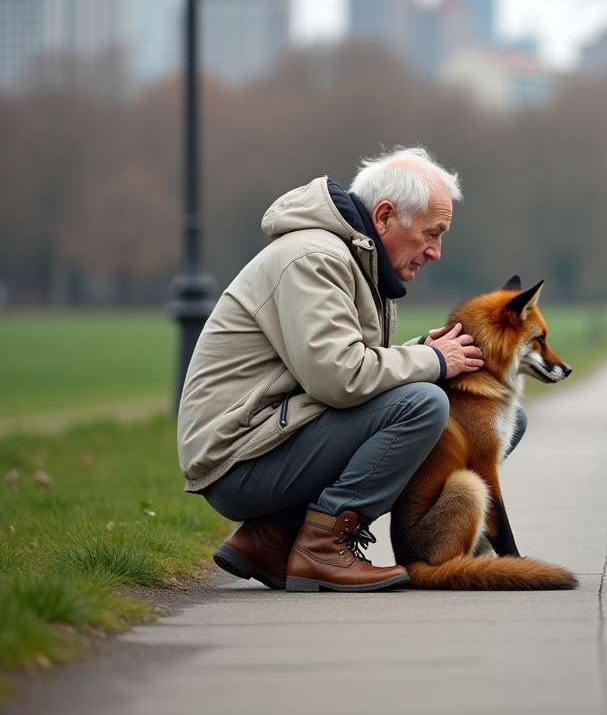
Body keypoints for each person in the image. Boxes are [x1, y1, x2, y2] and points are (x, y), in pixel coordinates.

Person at [177, 146, 515, 593]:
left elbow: (344, 369)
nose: (436, 252)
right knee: (425, 405)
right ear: (385, 216)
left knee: (474, 418)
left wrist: (423, 353)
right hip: (239, 460)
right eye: (433, 233)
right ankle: (322, 546)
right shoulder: (314, 258)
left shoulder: (356, 260)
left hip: (276, 439)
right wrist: (431, 362)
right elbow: (339, 377)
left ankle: (272, 537)